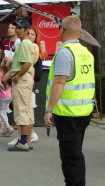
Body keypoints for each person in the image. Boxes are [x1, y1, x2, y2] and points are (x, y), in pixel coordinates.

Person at [44, 16, 94, 186]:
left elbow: (59, 81)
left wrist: (49, 109)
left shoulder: (65, 53)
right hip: (84, 111)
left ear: (61, 30)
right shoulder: (85, 52)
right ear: (80, 32)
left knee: (71, 156)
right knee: (75, 152)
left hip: (67, 113)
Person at [7, 20, 35, 152]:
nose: (18, 30)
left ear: (26, 30)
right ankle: (27, 141)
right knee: (28, 109)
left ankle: (23, 142)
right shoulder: (27, 43)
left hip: (21, 78)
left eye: (20, 28)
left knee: (22, 110)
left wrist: (17, 76)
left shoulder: (24, 43)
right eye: (17, 28)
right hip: (25, 78)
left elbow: (27, 63)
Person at [0, 58, 14, 137]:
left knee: (0, 111)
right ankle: (6, 128)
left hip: (2, 96)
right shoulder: (10, 73)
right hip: (9, 95)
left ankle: (8, 127)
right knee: (4, 111)